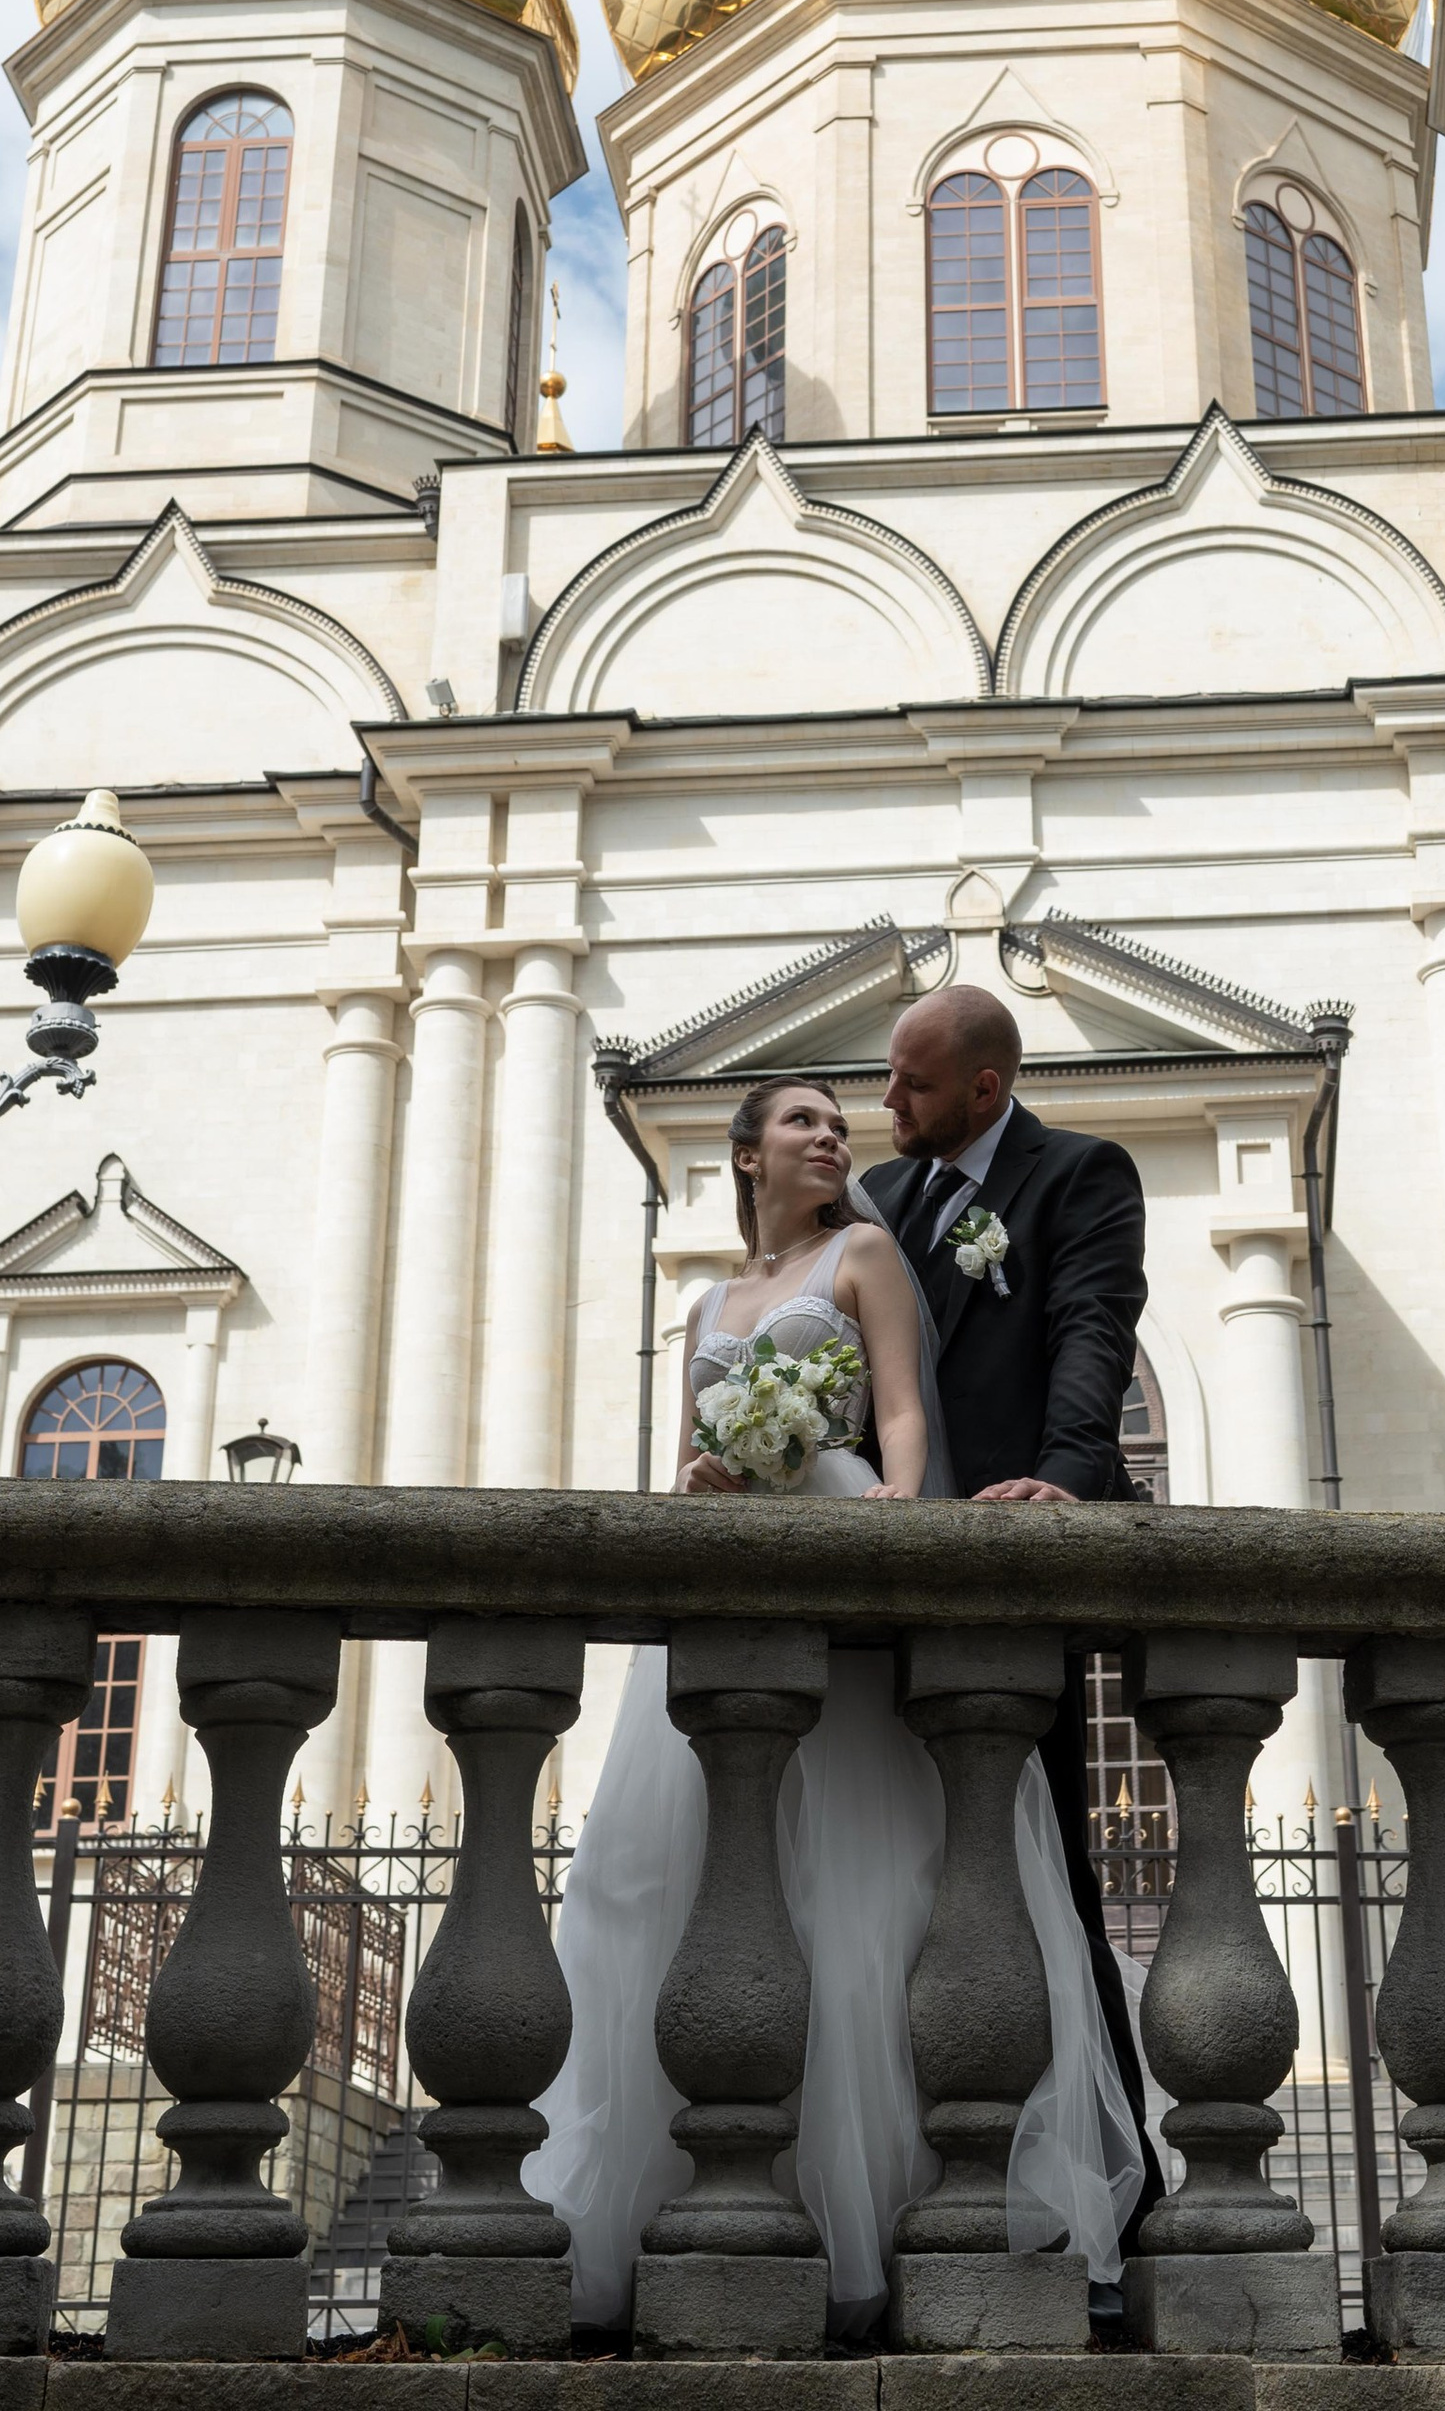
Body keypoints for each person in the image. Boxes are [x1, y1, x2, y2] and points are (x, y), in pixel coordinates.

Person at [523, 1069, 1142, 2341]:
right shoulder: (706, 1296)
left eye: (837, 1122)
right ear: (745, 1153)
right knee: (682, 1882)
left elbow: (903, 1408)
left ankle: (883, 2215)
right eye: (801, 1119)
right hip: (736, 1569)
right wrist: (704, 1472)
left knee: (866, 1876)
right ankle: (696, 2211)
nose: (830, 1133)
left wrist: (894, 1522)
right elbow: (692, 1454)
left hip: (844, 1540)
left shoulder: (863, 1250)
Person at [863, 985, 1164, 2235]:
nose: (886, 1104)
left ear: (985, 1087)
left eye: (913, 1085)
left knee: (1046, 1879)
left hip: (1006, 1576)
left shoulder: (1078, 1174)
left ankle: (1111, 2183)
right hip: (879, 1587)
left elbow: (1092, 1329)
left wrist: (1070, 1473)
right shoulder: (877, 1202)